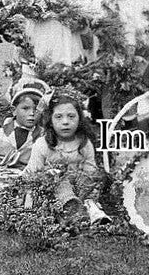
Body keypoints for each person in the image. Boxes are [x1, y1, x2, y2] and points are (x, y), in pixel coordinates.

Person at [23, 86, 109, 224]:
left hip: (81, 188)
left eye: (71, 116)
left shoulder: (84, 144)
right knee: (58, 181)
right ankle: (70, 211)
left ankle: (89, 209)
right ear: (50, 120)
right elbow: (32, 173)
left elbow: (90, 171)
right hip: (53, 189)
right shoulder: (42, 144)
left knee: (92, 180)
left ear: (79, 119)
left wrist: (90, 184)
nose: (65, 122)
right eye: (58, 117)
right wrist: (29, 195)